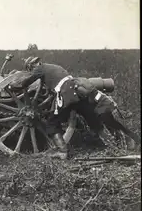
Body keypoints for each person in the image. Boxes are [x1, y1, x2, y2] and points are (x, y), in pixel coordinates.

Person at [9, 56, 140, 158]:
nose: (33, 68)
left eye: (31, 67)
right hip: (78, 92)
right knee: (92, 118)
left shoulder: (39, 69)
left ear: (32, 66)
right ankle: (113, 146)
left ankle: (62, 151)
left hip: (67, 94)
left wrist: (15, 86)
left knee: (52, 123)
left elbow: (28, 81)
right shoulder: (54, 67)